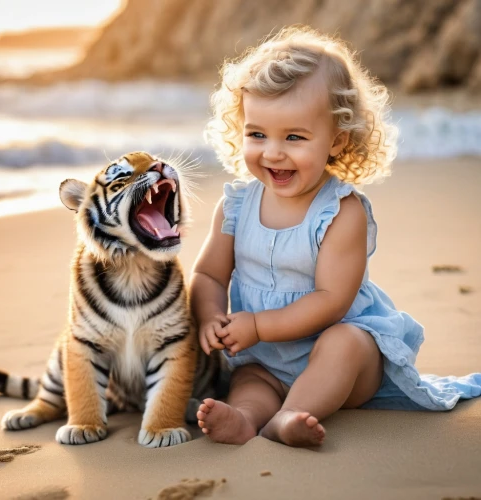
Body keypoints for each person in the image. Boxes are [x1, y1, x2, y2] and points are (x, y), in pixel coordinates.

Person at [189, 25, 481, 448]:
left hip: (342, 358)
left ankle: (289, 416)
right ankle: (248, 418)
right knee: (251, 379)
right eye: (257, 134)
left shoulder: (341, 212)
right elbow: (209, 275)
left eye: (294, 137)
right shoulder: (236, 205)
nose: (272, 152)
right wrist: (210, 315)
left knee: (345, 344)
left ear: (336, 140)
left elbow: (331, 300)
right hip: (264, 355)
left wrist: (258, 323)